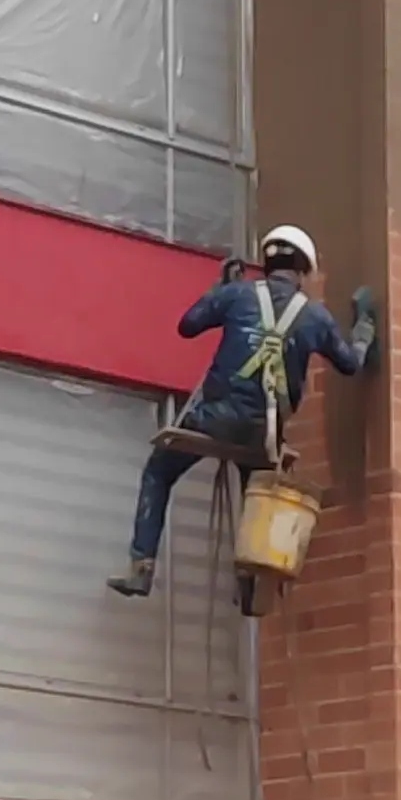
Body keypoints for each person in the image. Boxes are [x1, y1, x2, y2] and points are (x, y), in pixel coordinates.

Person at [109, 223, 376, 597]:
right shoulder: (316, 317)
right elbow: (350, 364)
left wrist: (220, 288)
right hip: (262, 432)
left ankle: (142, 567)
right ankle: (251, 588)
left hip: (213, 420)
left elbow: (188, 326)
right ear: (302, 270)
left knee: (159, 470)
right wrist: (364, 330)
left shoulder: (238, 295)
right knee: (258, 492)